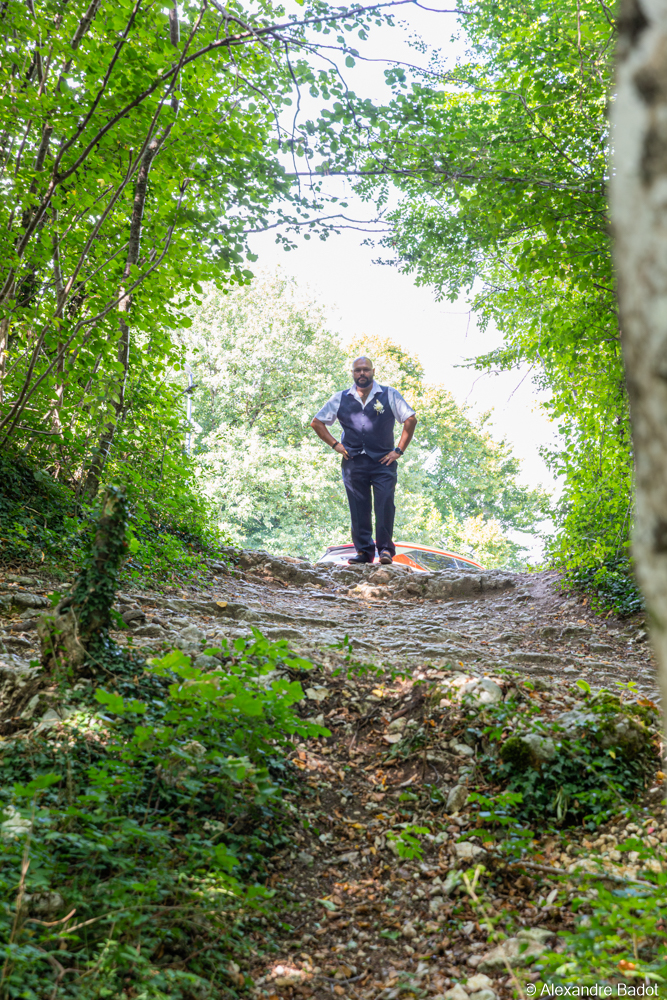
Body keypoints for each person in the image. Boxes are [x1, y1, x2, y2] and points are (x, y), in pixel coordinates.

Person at [310, 356, 417, 564]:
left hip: (384, 461)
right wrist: (335, 445)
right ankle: (364, 552)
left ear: (373, 371)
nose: (362, 373)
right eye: (358, 370)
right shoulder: (340, 398)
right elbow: (317, 422)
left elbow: (410, 419)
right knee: (358, 507)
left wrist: (398, 450)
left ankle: (385, 551)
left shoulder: (389, 394)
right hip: (353, 462)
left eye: (366, 370)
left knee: (385, 503)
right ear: (352, 373)